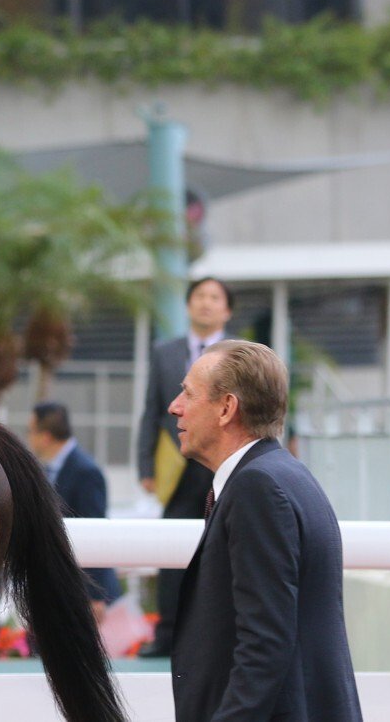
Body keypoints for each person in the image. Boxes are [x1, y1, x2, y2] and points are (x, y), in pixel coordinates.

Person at [169, 340, 361, 721]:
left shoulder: (257, 488)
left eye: (188, 393)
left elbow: (265, 642)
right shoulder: (284, 474)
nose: (175, 406)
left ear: (226, 408)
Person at [137, 276, 233, 657]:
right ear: (188, 305)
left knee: (226, 544)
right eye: (199, 296)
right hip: (177, 464)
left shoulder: (241, 353)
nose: (206, 303)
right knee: (171, 547)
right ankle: (168, 633)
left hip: (225, 461)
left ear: (227, 310)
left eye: (215, 298)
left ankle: (221, 635)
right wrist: (145, 465)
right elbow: (152, 410)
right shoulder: (165, 352)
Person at [26, 402, 120, 620]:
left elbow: (96, 532)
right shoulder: (45, 469)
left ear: (46, 436)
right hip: (59, 585)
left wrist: (95, 595)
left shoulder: (85, 471)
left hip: (83, 590)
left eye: (30, 431)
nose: (28, 438)